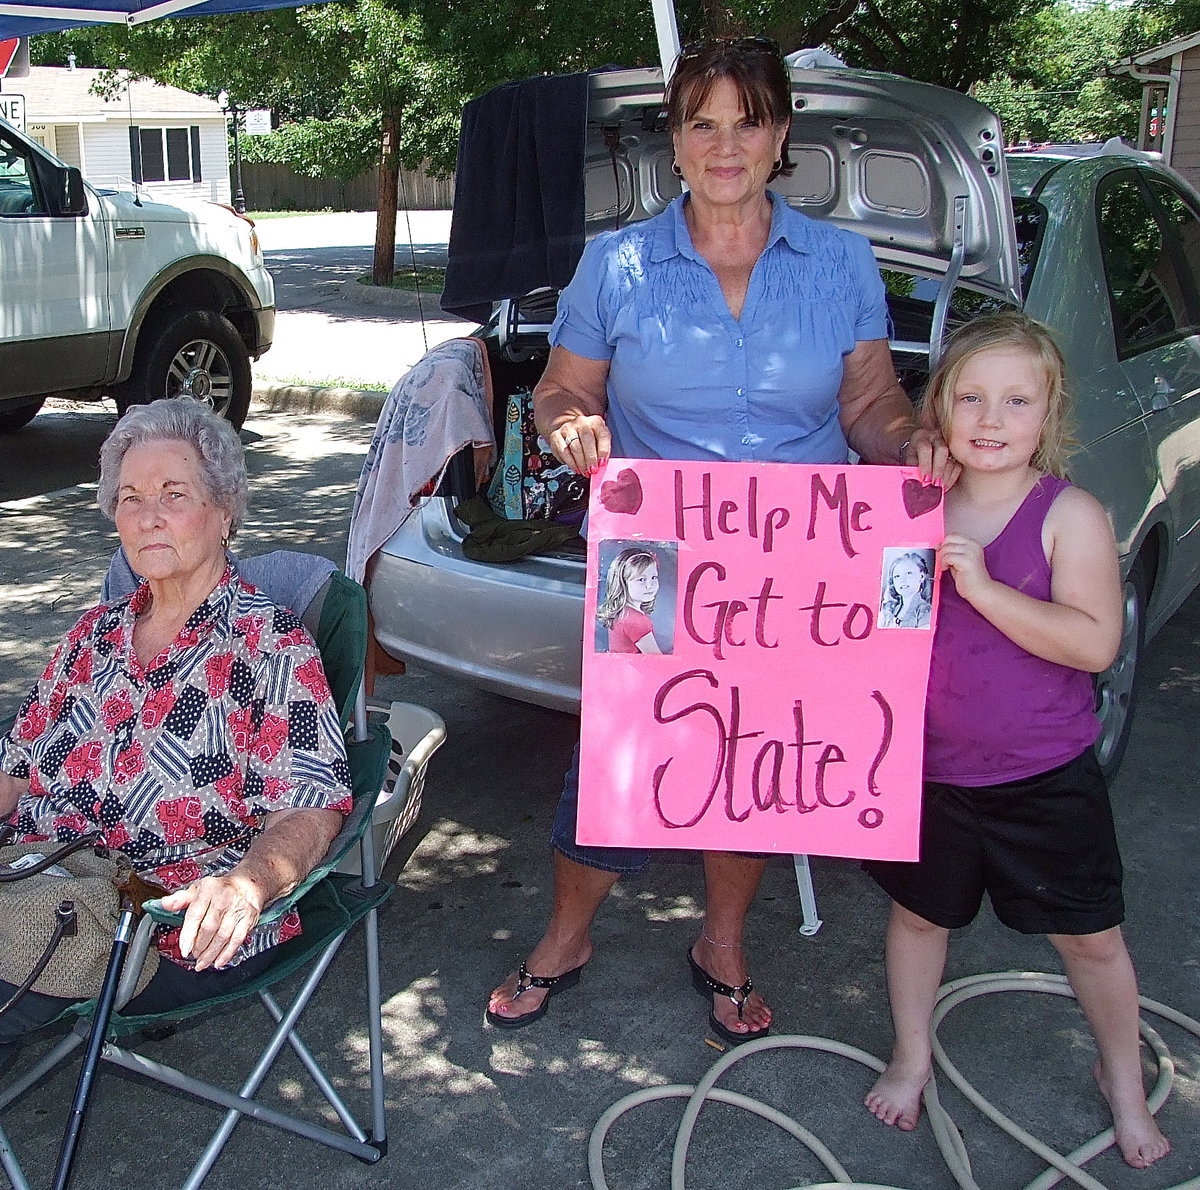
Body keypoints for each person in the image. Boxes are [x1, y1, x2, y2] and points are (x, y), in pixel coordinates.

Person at [487, 35, 955, 1043]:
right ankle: (567, 934)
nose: (727, 142)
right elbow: (564, 387)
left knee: (760, 756)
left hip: (800, 562)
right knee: (618, 752)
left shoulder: (838, 259)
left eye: (749, 120)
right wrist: (568, 419)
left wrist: (911, 444)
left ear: (781, 133)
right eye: (704, 120)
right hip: (655, 556)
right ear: (677, 140)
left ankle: (723, 942)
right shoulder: (617, 262)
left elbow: (872, 402)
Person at [862, 312, 1170, 1169]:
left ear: (1048, 414)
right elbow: (874, 627)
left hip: (1043, 775)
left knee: (1092, 937)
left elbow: (1095, 643)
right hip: (929, 773)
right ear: (939, 408)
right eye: (970, 397)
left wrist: (986, 589)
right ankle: (913, 1054)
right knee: (920, 919)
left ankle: (1121, 1078)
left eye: (1015, 400)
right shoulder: (910, 506)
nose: (990, 419)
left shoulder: (1068, 514)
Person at [0, 399, 353, 1068]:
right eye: (131, 498)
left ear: (224, 512)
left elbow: (311, 803)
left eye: (173, 494)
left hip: (157, 921)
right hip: (36, 881)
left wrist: (250, 881)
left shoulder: (269, 648)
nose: (148, 514)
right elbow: (17, 771)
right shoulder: (90, 638)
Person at [596, 547, 662, 654]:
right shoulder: (637, 621)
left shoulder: (623, 613)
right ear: (623, 583)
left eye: (654, 577)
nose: (650, 586)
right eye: (641, 579)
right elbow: (657, 660)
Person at [878, 550, 933, 629]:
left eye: (909, 573)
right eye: (897, 576)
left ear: (921, 576)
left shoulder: (925, 611)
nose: (902, 580)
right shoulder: (889, 610)